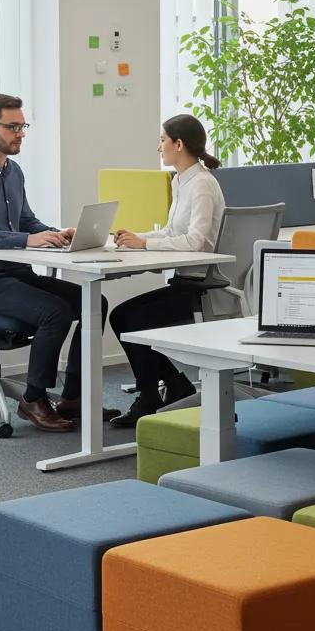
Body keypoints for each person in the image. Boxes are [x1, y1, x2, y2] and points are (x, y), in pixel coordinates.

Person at [0, 94, 117, 432]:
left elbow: (26, 221)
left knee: (92, 302)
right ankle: (34, 398)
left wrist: (56, 234)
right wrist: (28, 240)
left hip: (17, 275)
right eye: (12, 127)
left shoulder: (13, 172)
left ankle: (73, 397)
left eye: (22, 126)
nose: (20, 133)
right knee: (54, 311)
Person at [108, 115, 225, 427]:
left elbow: (196, 242)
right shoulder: (180, 180)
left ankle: (149, 396)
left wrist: (144, 245)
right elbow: (173, 231)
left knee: (135, 319)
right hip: (184, 281)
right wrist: (139, 238)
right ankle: (174, 385)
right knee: (121, 316)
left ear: (179, 144)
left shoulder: (201, 184)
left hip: (200, 286)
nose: (158, 146)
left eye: (162, 140)